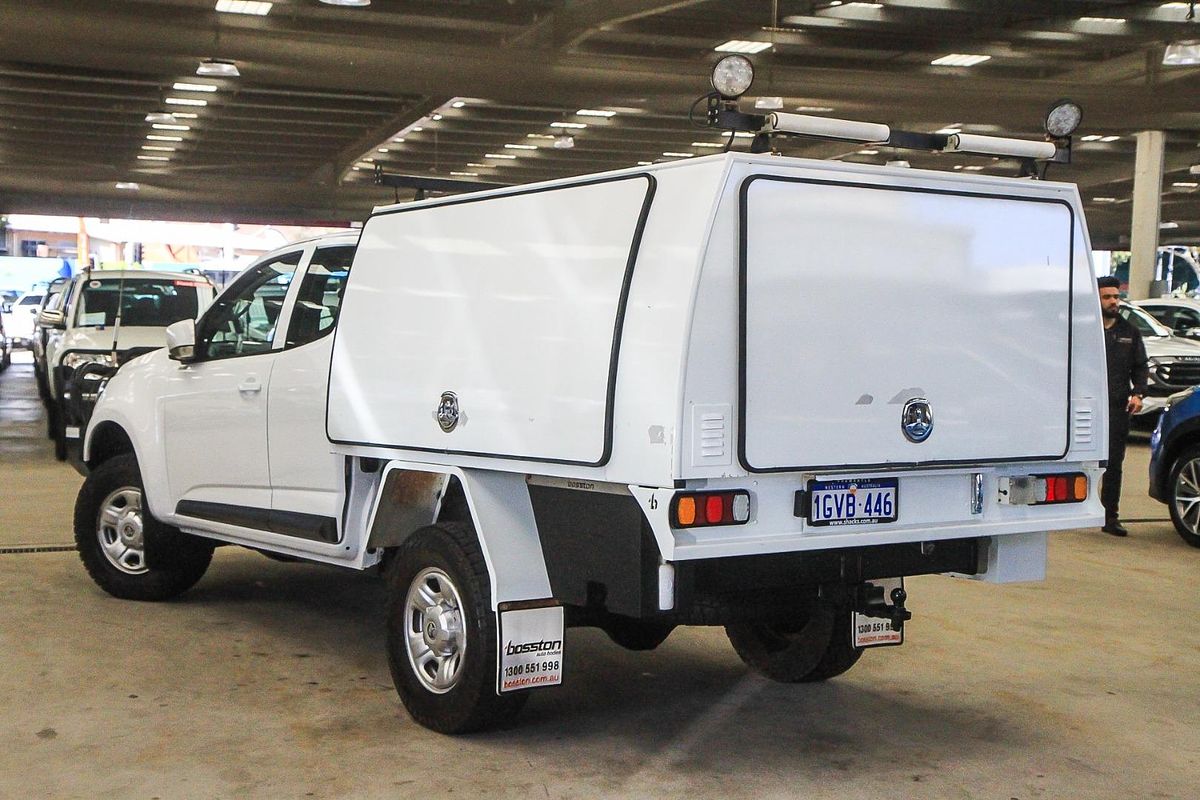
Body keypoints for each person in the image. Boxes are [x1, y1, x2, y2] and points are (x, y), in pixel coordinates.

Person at [1097, 276, 1148, 536]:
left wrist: (1138, 394)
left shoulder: (1130, 332)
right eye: (1107, 297)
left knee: (1113, 464)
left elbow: (1141, 367)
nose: (1113, 301)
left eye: (1116, 297)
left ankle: (1110, 517)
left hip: (1117, 407)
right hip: (1086, 407)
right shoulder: (1086, 329)